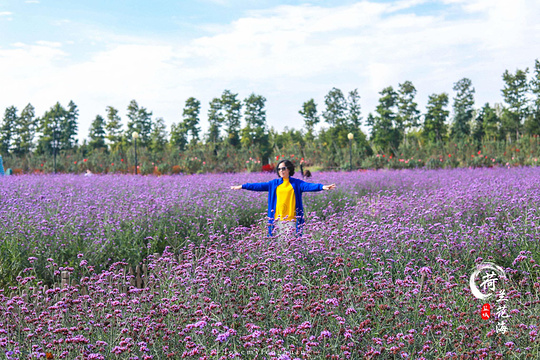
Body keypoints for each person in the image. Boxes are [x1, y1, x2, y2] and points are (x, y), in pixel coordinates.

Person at [230, 159, 336, 237]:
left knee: (293, 247)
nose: (281, 171)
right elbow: (258, 186)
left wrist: (322, 187)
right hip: (277, 220)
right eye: (279, 169)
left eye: (283, 168)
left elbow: (309, 186)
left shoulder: (296, 183)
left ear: (289, 169)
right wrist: (243, 186)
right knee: (278, 248)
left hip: (292, 220)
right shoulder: (274, 184)